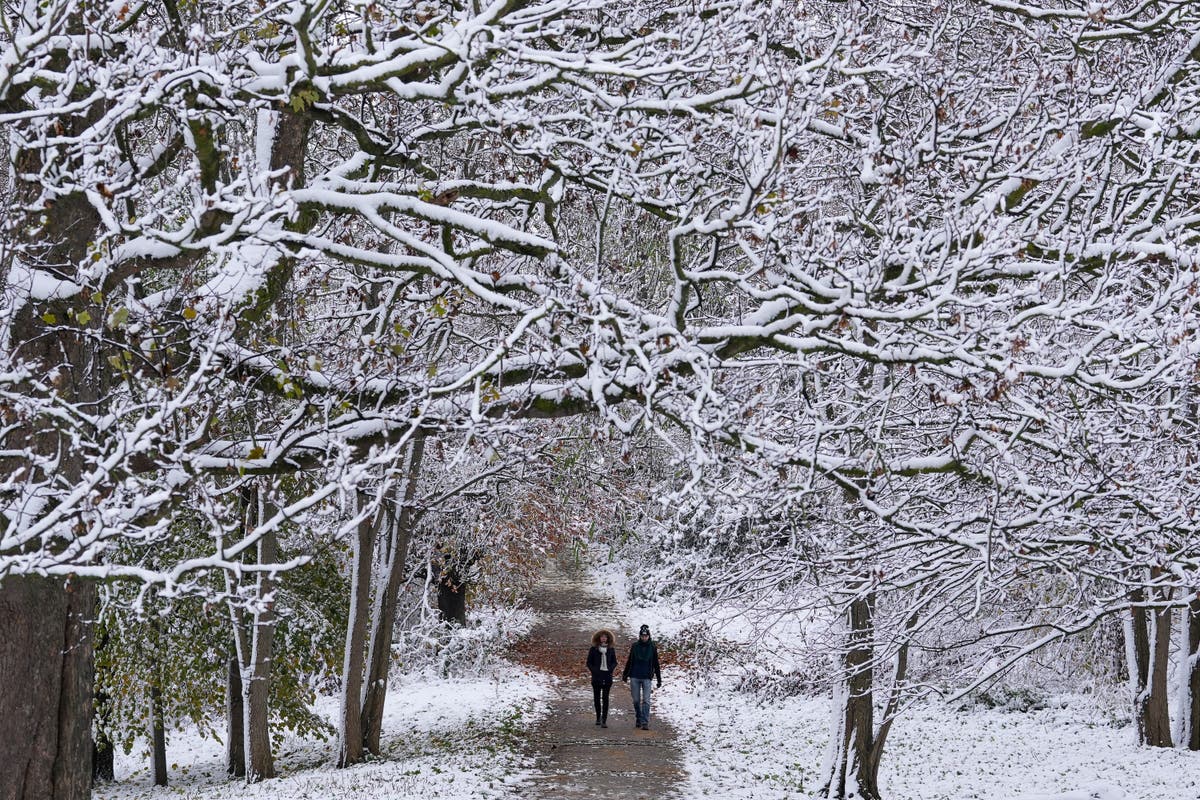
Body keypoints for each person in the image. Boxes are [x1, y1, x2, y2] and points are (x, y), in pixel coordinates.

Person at [621, 624, 661, 730]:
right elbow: (630, 660)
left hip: (647, 677)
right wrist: (625, 674)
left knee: (646, 701)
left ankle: (645, 722)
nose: (644, 638)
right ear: (640, 636)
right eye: (642, 636)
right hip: (635, 676)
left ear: (648, 636)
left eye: (646, 636)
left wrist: (659, 679)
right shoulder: (635, 646)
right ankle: (638, 716)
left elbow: (656, 663)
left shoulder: (652, 647)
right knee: (636, 700)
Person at [586, 629, 619, 728]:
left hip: (607, 677)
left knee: (605, 698)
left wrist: (610, 669)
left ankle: (604, 719)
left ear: (608, 639)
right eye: (602, 637)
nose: (603, 638)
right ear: (599, 638)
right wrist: (594, 670)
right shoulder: (593, 649)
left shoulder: (611, 649)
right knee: (597, 698)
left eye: (605, 637)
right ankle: (598, 717)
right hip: (596, 677)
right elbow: (589, 663)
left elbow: (614, 662)